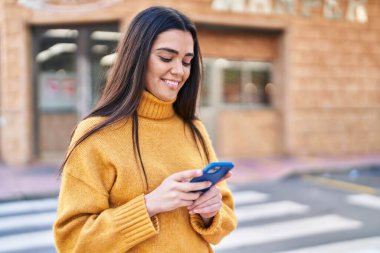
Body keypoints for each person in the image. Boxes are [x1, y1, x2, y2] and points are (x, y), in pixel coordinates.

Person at [53, 6, 237, 253]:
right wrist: (150, 205)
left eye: (187, 61)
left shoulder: (194, 128)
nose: (179, 71)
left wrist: (210, 212)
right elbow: (73, 241)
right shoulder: (96, 135)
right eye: (166, 57)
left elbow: (225, 222)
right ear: (137, 57)